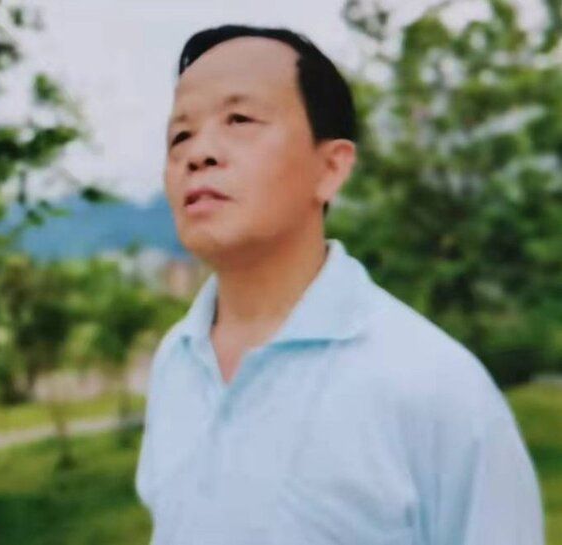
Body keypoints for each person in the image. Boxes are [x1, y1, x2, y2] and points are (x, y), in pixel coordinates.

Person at [134, 24, 544, 545]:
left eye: (239, 119)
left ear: (331, 167)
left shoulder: (436, 387)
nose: (199, 153)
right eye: (180, 136)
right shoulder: (176, 360)